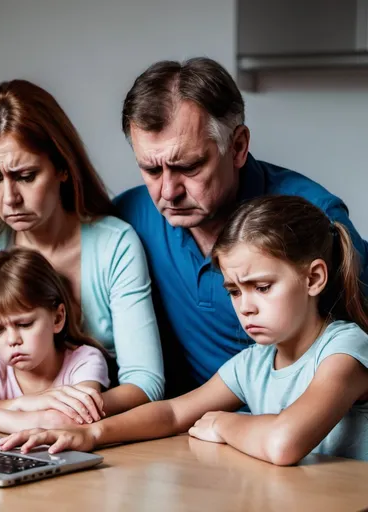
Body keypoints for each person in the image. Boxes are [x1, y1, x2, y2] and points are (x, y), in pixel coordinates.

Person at [0, 196, 368, 465]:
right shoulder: (253, 363)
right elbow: (173, 413)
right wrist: (91, 434)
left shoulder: (346, 350)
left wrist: (224, 423)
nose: (246, 306)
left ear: (314, 278)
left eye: (263, 287)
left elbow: (283, 442)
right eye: (234, 291)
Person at [114, 57, 368, 396]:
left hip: (300, 435)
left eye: (188, 167)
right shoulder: (127, 216)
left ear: (237, 147)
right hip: (180, 429)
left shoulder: (317, 221)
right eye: (151, 170)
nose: (168, 192)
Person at [0, 79, 164, 420]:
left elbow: (146, 383)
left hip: (83, 435)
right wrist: (19, 408)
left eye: (26, 175)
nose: (9, 199)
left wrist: (55, 410)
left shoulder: (114, 244)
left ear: (62, 167)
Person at [0, 247, 110, 433]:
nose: (12, 340)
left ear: (57, 318)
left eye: (25, 324)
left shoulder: (85, 361)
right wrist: (22, 404)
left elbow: (67, 422)